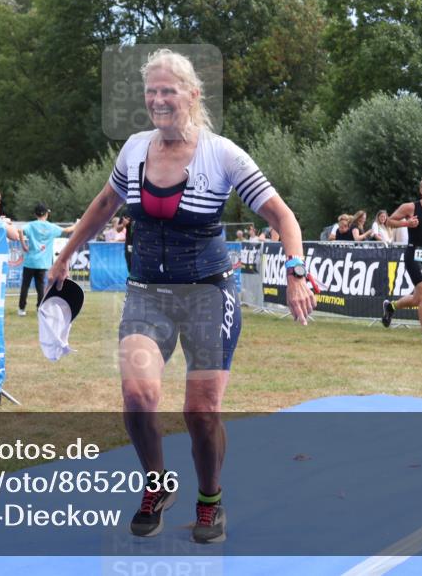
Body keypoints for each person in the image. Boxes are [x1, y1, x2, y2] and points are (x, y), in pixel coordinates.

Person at [47, 49, 315, 544]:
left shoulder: (223, 154)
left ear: (192, 95)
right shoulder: (134, 149)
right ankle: (156, 483)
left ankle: (210, 499)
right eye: (151, 92)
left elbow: (283, 217)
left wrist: (296, 270)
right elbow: (105, 203)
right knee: (138, 394)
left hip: (208, 294)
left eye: (168, 90)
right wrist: (65, 256)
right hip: (147, 292)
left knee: (200, 411)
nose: (157, 100)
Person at [382, 174, 422, 343]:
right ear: (421, 190)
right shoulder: (409, 207)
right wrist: (406, 224)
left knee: (419, 298)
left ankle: (391, 306)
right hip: (413, 253)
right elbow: (388, 221)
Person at [19, 202, 76, 316]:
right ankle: (40, 308)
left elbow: (20, 230)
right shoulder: (51, 227)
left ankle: (21, 309)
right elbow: (68, 230)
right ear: (46, 214)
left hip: (29, 261)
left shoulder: (31, 225)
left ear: (35, 214)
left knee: (25, 286)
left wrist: (23, 244)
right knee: (41, 287)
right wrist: (78, 223)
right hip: (43, 263)